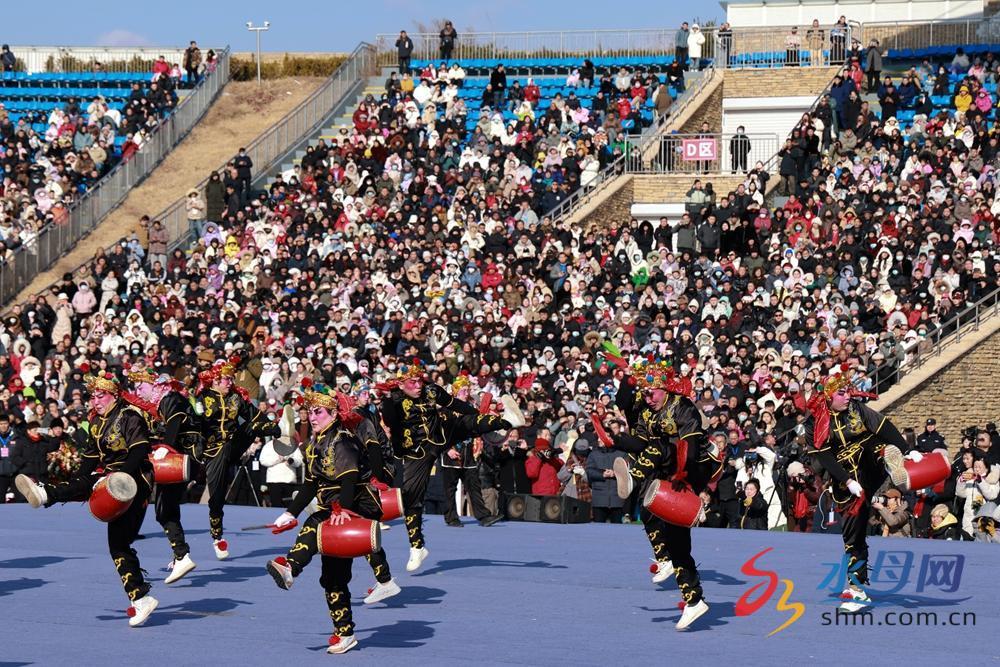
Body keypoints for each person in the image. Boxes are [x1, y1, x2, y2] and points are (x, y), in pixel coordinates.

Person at [796, 367, 948, 612]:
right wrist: (847, 481)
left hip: (869, 464)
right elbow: (824, 456)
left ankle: (893, 463)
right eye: (842, 393)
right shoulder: (815, 422)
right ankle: (856, 587)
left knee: (873, 445)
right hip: (845, 481)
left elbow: (883, 427)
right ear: (829, 396)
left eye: (848, 392)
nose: (848, 396)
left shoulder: (857, 409)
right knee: (853, 537)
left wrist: (907, 449)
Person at [16, 371, 159, 627]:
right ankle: (141, 599)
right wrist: (74, 485)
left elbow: (139, 450)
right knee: (118, 545)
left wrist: (120, 476)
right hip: (111, 479)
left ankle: (46, 493)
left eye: (100, 396)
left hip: (134, 480)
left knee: (94, 487)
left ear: (113, 395)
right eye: (93, 396)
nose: (95, 401)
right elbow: (90, 460)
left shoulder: (129, 416)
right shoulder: (96, 422)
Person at [267, 386, 394, 655]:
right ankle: (345, 633)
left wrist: (343, 510)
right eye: (310, 412)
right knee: (332, 578)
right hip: (334, 506)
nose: (312, 417)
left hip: (355, 504)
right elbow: (311, 484)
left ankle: (291, 567)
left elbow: (349, 479)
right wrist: (289, 513)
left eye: (319, 412)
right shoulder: (316, 444)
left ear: (333, 414)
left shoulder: (342, 440)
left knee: (315, 522)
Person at [607, 359, 722, 630]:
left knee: (660, 447)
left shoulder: (682, 407)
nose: (648, 399)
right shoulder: (648, 411)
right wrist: (618, 441)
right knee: (675, 540)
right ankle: (694, 600)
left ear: (664, 389)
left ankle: (633, 478)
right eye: (644, 394)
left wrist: (687, 481)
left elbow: (689, 447)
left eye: (652, 394)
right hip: (668, 469)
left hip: (694, 467)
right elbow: (640, 439)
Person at [379, 362, 525, 572]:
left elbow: (457, 405)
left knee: (466, 423)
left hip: (440, 436)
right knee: (411, 498)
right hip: (416, 453)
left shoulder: (431, 390)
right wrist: (388, 398)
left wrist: (478, 414)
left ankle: (507, 421)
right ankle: (417, 546)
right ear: (401, 385)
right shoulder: (394, 400)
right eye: (412, 382)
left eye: (420, 381)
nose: (418, 385)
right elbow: (390, 421)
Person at [124, 367, 203, 584]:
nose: (138, 391)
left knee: (164, 510)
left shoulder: (170, 399)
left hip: (182, 456)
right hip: (180, 456)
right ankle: (180, 554)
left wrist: (166, 447)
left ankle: (182, 555)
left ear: (154, 385)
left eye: (141, 387)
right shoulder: (161, 404)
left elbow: (175, 421)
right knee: (165, 508)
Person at [196, 357, 281, 559]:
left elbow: (254, 415)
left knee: (253, 426)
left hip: (233, 446)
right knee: (217, 498)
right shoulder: (202, 397)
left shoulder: (236, 397)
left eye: (231, 379)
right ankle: (217, 537)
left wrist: (272, 427)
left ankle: (273, 429)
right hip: (212, 451)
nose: (230, 382)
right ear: (216, 380)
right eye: (227, 379)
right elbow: (195, 423)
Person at [438, 374, 502, 527]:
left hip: (468, 454)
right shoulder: (446, 410)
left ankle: (483, 516)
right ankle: (451, 518)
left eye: (467, 390)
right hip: (451, 454)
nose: (466, 393)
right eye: (463, 390)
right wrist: (447, 450)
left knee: (474, 486)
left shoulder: (471, 409)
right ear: (455, 391)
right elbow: (438, 433)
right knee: (450, 488)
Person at [586, 430, 624, 523]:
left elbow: (627, 471)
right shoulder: (593, 454)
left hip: (617, 498)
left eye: (602, 437)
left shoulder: (621, 454)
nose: (600, 440)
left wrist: (615, 473)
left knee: (617, 528)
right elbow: (589, 471)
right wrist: (602, 474)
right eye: (599, 437)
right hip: (599, 499)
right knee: (599, 528)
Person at [0, 413, 15, 501]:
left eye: (5, 423)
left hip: (15, 473)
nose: (3, 426)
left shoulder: (16, 435)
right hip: (1, 474)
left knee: (20, 500)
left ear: (9, 424)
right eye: (1, 424)